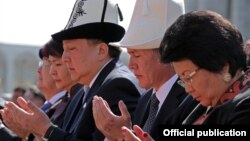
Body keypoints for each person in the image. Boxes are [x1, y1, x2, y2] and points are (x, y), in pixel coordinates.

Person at [1, 0, 143, 141]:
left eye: (71, 49)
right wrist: (36, 132)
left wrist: (46, 129)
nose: (65, 58)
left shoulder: (117, 86)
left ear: (101, 51)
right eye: (64, 49)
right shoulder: (84, 90)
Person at [122, 10, 250, 141]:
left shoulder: (245, 107)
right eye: (182, 80)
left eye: (189, 77)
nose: (188, 89)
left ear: (222, 66)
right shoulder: (198, 105)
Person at [92, 0, 197, 141]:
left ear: (165, 54)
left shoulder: (192, 100)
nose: (131, 65)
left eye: (136, 55)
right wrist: (119, 136)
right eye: (129, 54)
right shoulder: (145, 100)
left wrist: (121, 136)